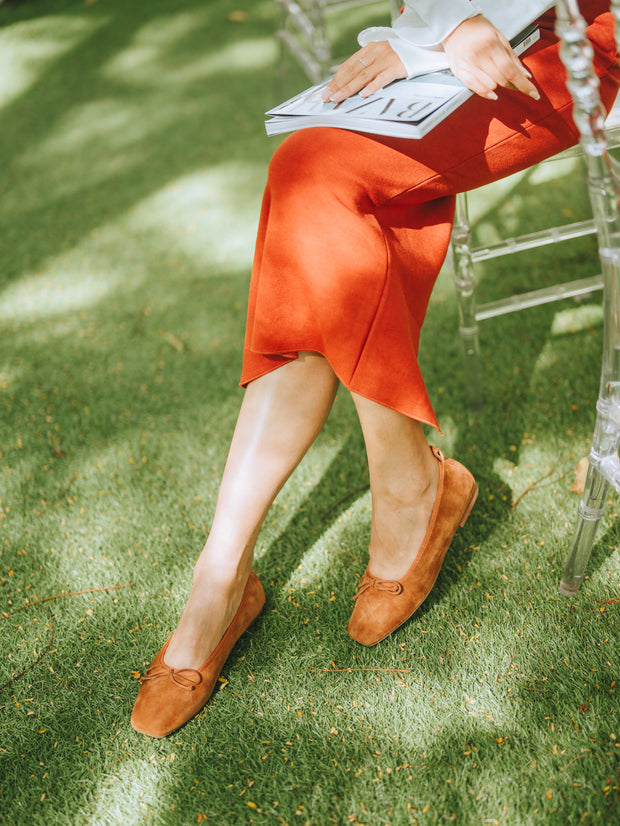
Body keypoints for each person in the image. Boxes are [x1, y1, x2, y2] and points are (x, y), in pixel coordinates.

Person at [130, 0, 620, 738]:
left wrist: (446, 34)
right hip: (454, 32)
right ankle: (250, 556)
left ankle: (232, 577)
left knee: (315, 186)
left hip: (578, 41)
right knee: (310, 180)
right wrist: (440, 29)